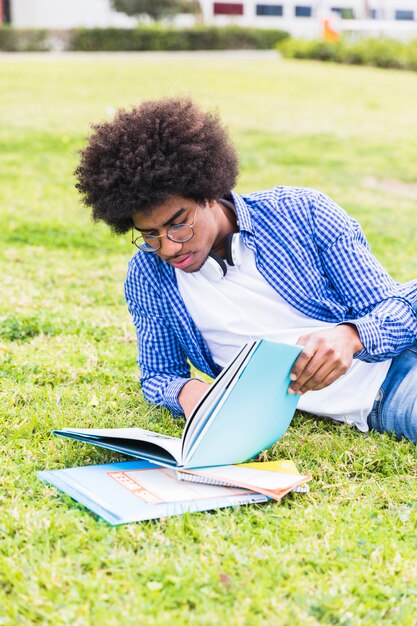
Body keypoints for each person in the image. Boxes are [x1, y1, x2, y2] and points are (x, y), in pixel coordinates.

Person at [75, 98, 417, 442]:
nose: (168, 247)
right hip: (378, 406)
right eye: (149, 235)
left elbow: (399, 310)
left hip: (396, 372)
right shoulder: (149, 276)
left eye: (178, 225)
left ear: (208, 193)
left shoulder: (302, 212)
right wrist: (189, 393)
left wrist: (350, 336)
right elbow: (159, 374)